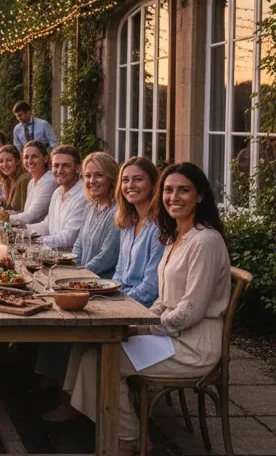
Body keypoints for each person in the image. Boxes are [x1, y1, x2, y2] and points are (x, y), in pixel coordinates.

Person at [50, 163, 231, 456]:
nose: (174, 197)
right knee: (92, 347)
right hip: (171, 335)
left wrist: (143, 326)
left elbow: (190, 311)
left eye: (183, 190)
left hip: (193, 345)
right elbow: (163, 298)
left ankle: (129, 438)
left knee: (103, 360)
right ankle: (109, 426)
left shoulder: (205, 241)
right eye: (169, 190)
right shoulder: (176, 236)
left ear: (199, 196)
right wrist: (139, 322)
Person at [113, 157, 165, 308]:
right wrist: (110, 294)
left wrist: (116, 303)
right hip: (122, 300)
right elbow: (119, 272)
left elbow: (150, 289)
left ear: (153, 184)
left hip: (143, 308)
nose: (130, 185)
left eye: (138, 179)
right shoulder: (128, 222)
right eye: (125, 180)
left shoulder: (159, 227)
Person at [25, 145, 87, 250]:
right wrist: (22, 231)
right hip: (52, 256)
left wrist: (36, 241)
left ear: (77, 168)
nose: (59, 170)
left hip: (71, 262)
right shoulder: (57, 192)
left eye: (66, 166)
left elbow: (69, 237)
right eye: (56, 165)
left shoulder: (83, 195)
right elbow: (47, 225)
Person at [72, 152, 121, 278]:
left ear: (111, 178)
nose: (92, 181)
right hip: (82, 279)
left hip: (103, 285)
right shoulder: (90, 207)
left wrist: (78, 275)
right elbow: (78, 245)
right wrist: (72, 268)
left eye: (99, 175)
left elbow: (107, 257)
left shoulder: (118, 211)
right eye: (88, 176)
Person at [10, 141, 56, 225]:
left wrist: (0, 217)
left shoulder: (49, 182)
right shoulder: (31, 182)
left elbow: (30, 216)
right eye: (26, 157)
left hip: (41, 234)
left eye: (34, 157)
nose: (30, 161)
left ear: (45, 159)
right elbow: (26, 213)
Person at [0, 145, 32, 212]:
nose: (4, 164)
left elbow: (23, 212)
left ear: (17, 162)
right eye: (1, 161)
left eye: (9, 160)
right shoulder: (7, 181)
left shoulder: (24, 180)